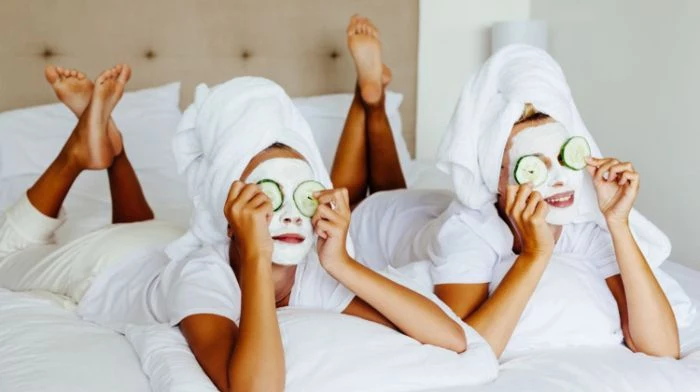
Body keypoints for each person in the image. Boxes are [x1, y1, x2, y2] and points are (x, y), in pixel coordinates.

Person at [0, 59, 466, 392]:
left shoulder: (313, 274)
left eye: (300, 195)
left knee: (145, 228)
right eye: (265, 195)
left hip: (160, 244)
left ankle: (115, 154)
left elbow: (451, 337)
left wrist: (341, 262)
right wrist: (259, 258)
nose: (286, 214)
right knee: (8, 253)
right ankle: (78, 156)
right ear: (231, 216)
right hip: (107, 265)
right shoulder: (203, 275)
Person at [342, 41, 688, 359]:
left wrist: (618, 223)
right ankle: (369, 101)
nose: (558, 180)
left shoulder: (584, 221)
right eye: (534, 166)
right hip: (380, 223)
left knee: (393, 186)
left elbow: (663, 348)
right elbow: (467, 349)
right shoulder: (467, 231)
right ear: (498, 179)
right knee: (359, 197)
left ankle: (373, 103)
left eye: (565, 156)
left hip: (422, 211)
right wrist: (536, 256)